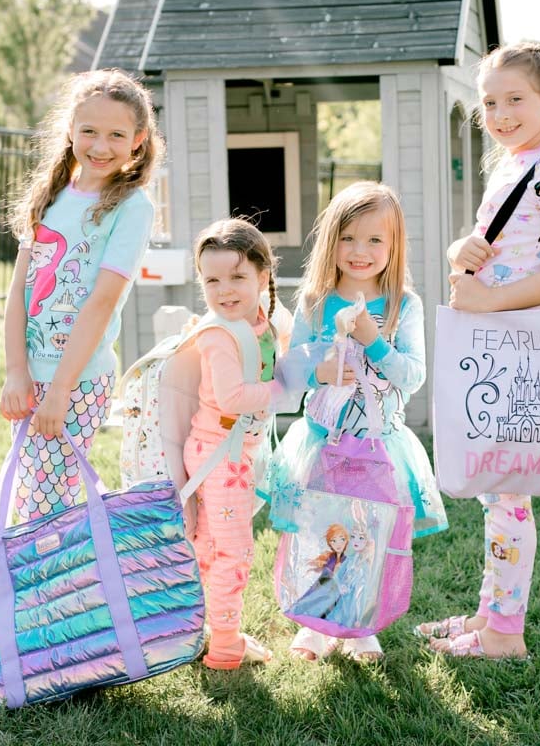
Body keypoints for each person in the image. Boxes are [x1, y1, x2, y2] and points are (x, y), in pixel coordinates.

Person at [419, 42, 540, 660]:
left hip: (518, 348)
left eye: (514, 99)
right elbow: (498, 243)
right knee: (498, 493)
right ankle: (489, 612)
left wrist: (491, 303)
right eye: (489, 102)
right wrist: (459, 253)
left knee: (507, 495)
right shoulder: (516, 164)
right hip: (498, 346)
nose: (498, 113)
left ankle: (503, 633)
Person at [262, 181, 448, 663]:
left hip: (377, 445)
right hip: (323, 443)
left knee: (367, 534)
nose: (359, 251)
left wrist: (375, 340)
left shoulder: (404, 306)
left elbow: (413, 376)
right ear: (332, 241)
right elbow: (288, 371)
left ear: (393, 246)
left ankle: (361, 624)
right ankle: (317, 623)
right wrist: (318, 367)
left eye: (374, 241)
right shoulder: (315, 302)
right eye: (348, 238)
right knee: (319, 529)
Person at [0, 69, 161, 524]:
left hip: (79, 378)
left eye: (116, 134)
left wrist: (62, 389)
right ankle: (43, 584)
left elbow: (101, 302)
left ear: (138, 140)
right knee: (33, 489)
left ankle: (54, 584)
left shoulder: (131, 207)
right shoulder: (50, 196)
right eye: (89, 131)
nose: (100, 145)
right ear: (70, 130)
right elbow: (19, 293)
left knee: (49, 498)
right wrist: (16, 372)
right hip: (32, 374)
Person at [186, 218, 284, 670]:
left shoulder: (260, 322)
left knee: (212, 546)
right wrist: (285, 389)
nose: (225, 290)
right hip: (219, 455)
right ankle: (225, 644)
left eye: (238, 277)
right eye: (212, 280)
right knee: (232, 550)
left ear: (264, 276)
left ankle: (204, 629)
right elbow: (232, 397)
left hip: (232, 454)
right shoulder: (218, 333)